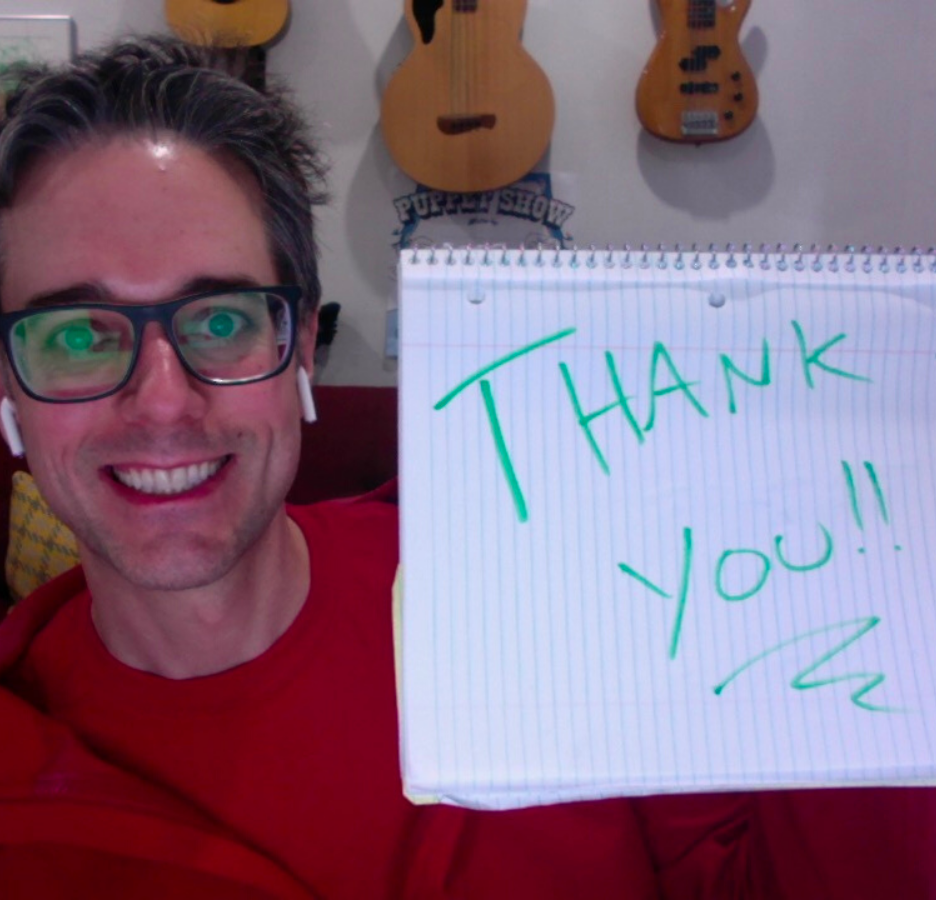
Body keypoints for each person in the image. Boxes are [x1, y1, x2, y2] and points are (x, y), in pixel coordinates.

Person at [0, 35, 928, 900]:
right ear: (9, 383)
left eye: (221, 321)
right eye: (77, 334)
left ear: (303, 350)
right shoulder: (25, 759)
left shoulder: (550, 580)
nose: (163, 403)